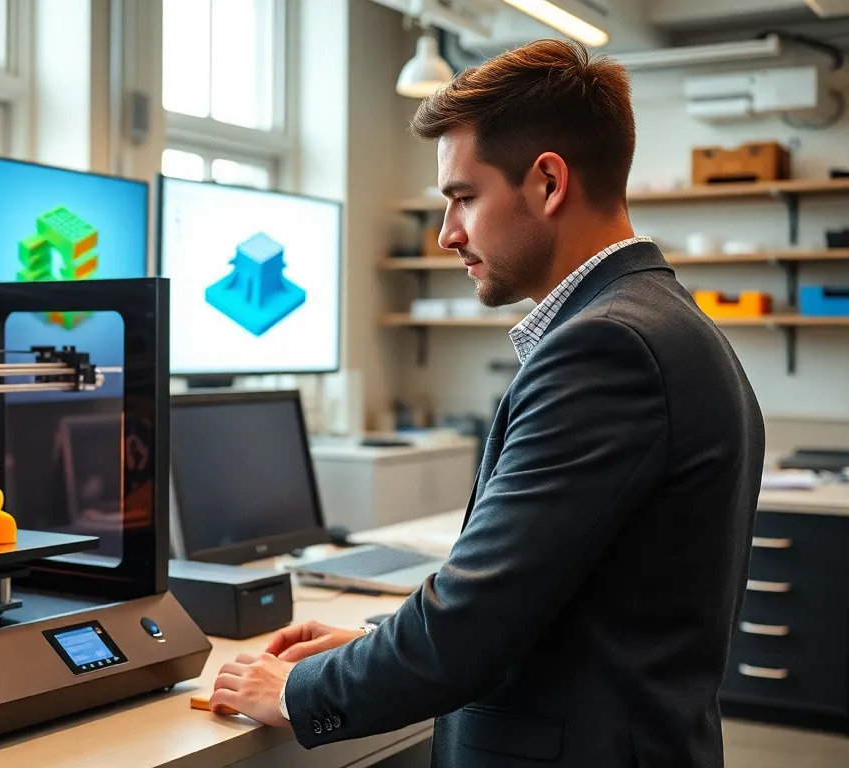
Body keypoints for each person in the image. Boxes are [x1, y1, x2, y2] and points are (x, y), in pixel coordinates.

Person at [209, 38, 764, 767]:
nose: (447, 234)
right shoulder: (659, 320)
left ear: (547, 183)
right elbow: (545, 605)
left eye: (463, 197)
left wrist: (294, 689)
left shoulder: (608, 349)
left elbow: (468, 628)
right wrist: (380, 642)